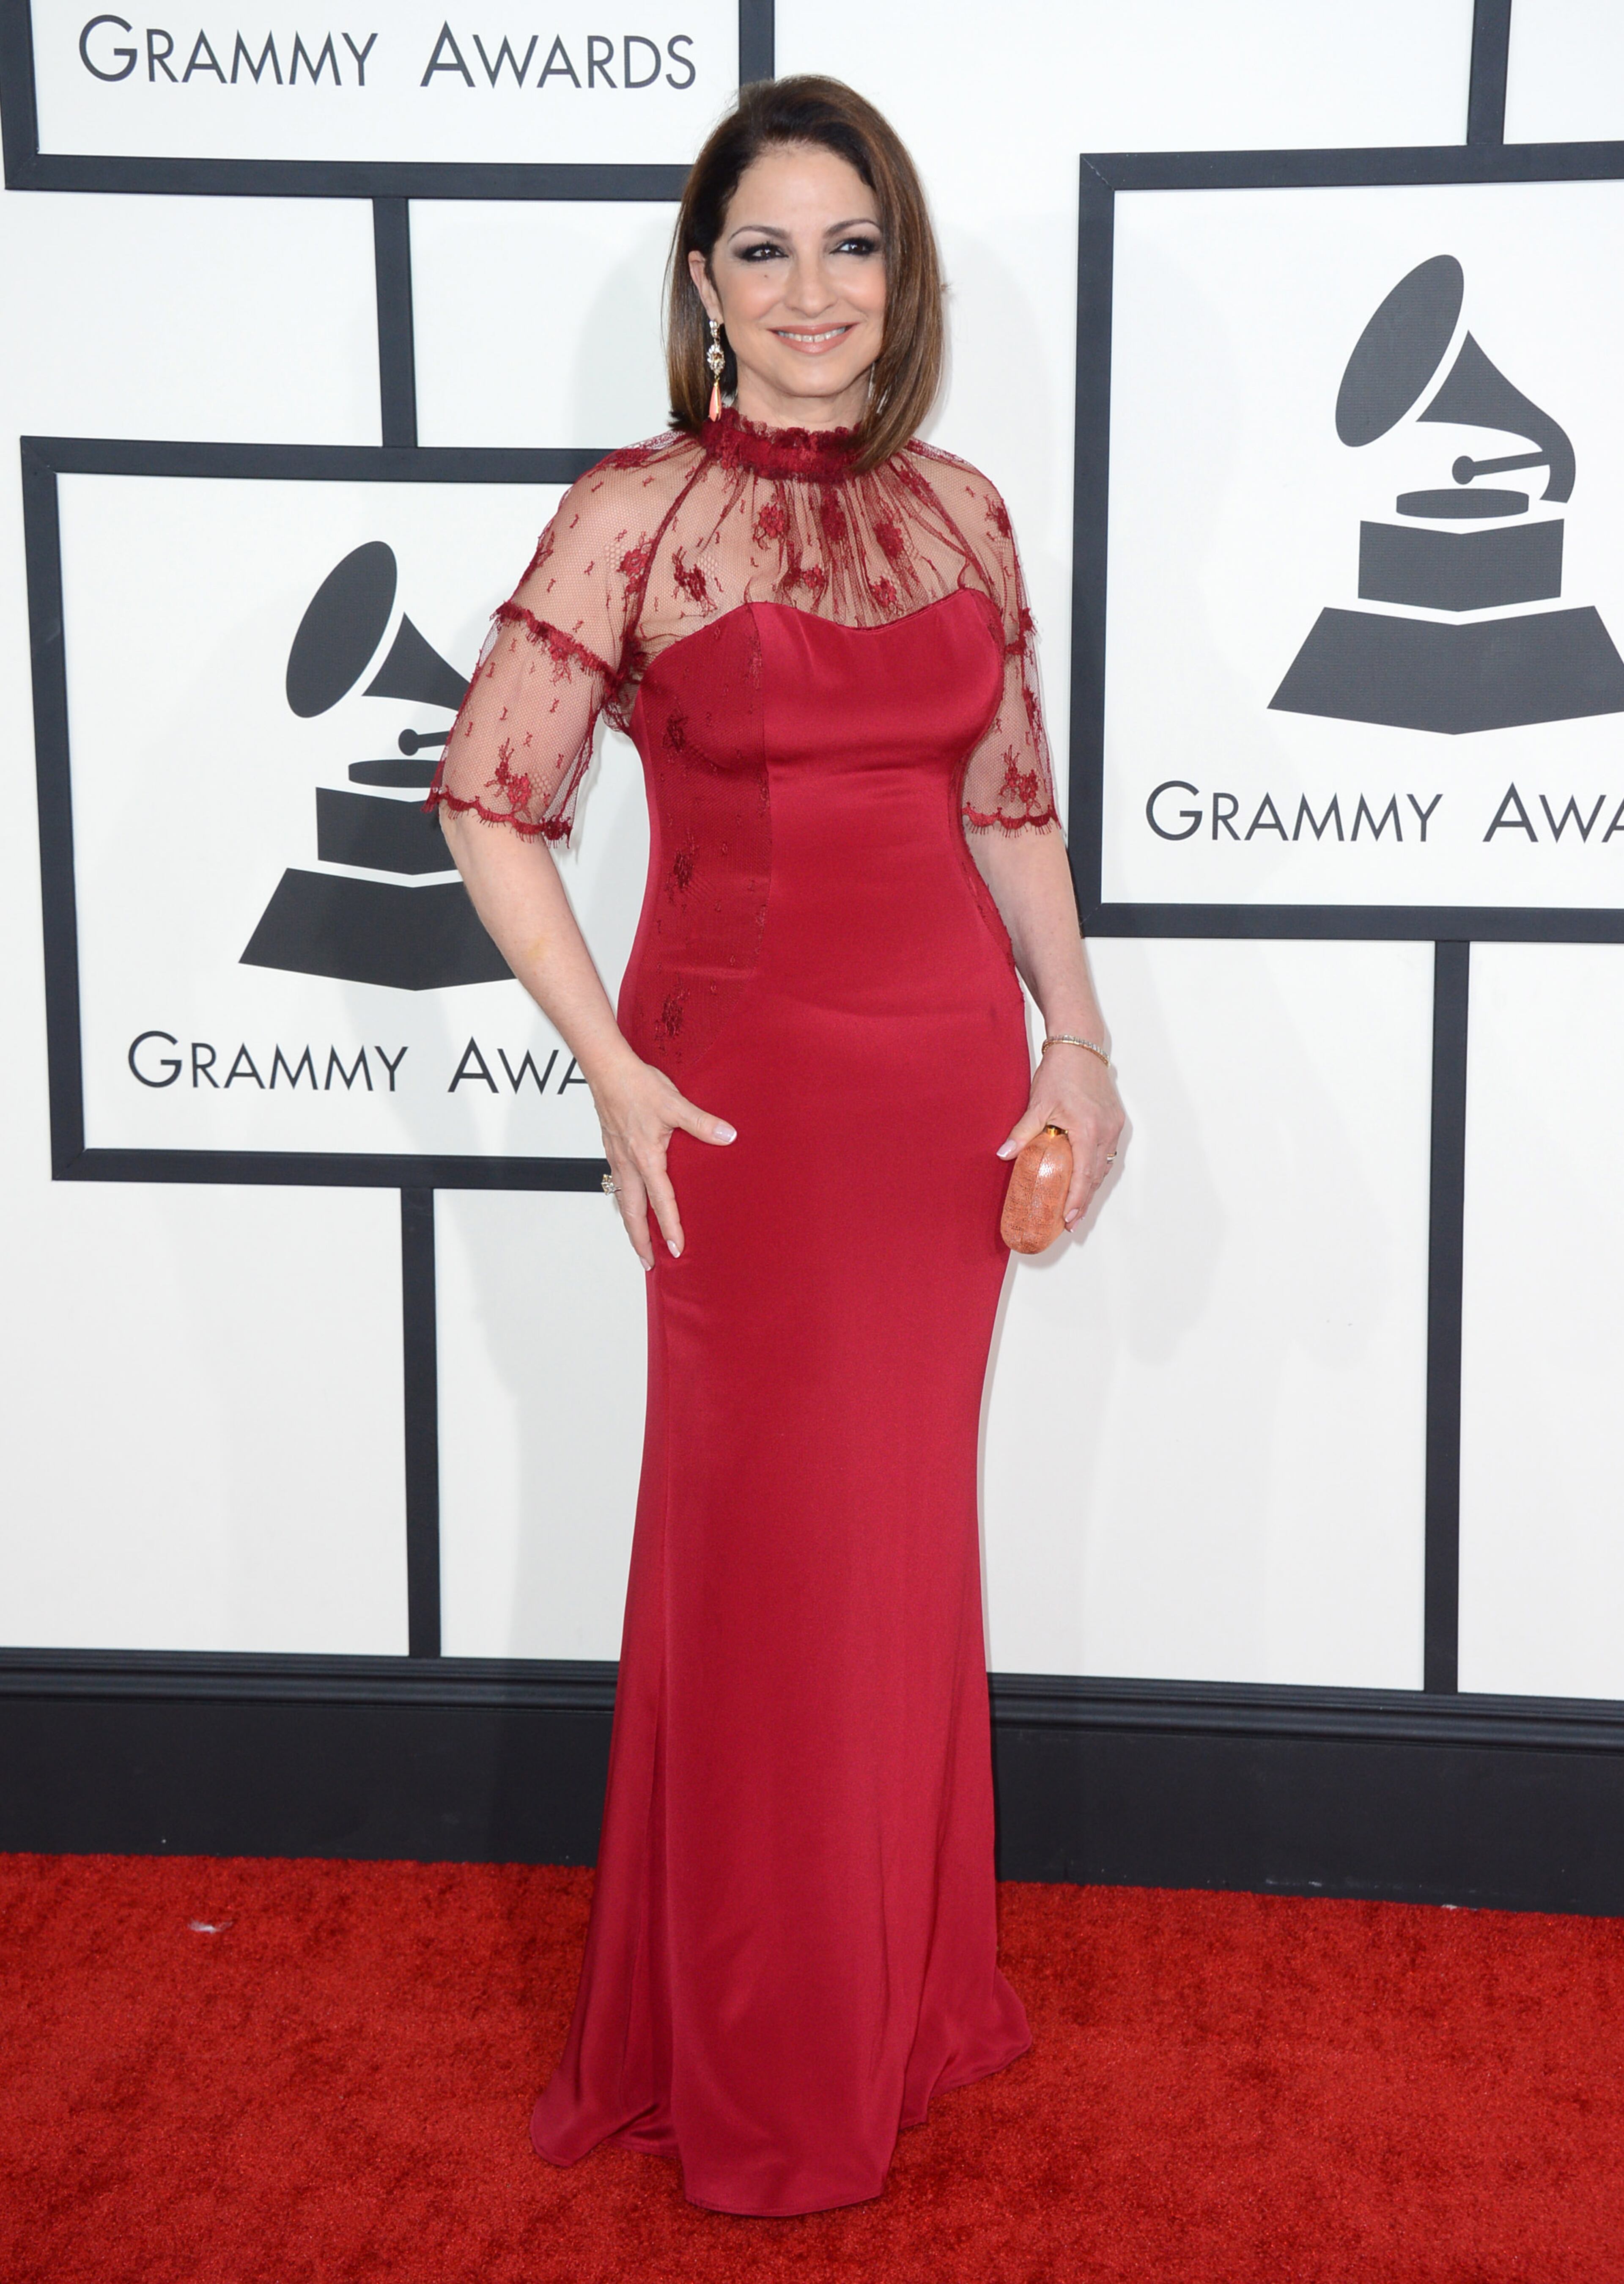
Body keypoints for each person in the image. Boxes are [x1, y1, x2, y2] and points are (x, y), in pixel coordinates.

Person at [431, 74, 1125, 2218]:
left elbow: (1007, 804)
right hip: (740, 1104)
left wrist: (1080, 1044)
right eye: (766, 248)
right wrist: (606, 1068)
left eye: (852, 245)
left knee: (896, 1551)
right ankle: (758, 2049)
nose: (813, 290)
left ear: (899, 275)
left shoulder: (966, 513)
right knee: (770, 1579)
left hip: (940, 1096)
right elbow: (488, 799)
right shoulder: (635, 516)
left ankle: (897, 1994)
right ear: (705, 282)